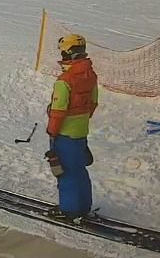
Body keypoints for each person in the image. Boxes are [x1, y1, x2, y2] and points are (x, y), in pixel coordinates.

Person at [46, 34, 98, 220]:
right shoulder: (90, 75)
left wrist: (52, 131)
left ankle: (69, 209)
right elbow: (93, 103)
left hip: (64, 133)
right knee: (79, 170)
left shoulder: (65, 80)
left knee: (66, 172)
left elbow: (58, 111)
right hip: (81, 132)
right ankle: (83, 205)